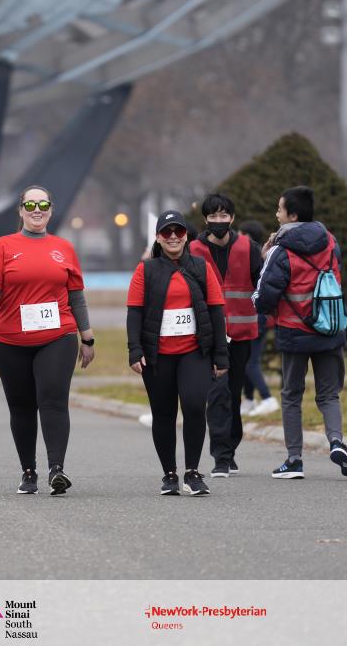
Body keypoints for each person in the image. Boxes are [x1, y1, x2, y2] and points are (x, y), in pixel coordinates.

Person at [0, 185, 95, 496]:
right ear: (21, 210)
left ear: (51, 210)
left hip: (58, 336)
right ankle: (28, 471)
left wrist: (88, 338)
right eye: (30, 205)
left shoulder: (64, 248)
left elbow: (76, 297)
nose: (37, 210)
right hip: (10, 340)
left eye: (43, 204)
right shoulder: (3, 246)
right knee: (22, 406)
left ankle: (57, 469)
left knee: (53, 399)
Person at [252, 186, 347, 479]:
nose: (276, 214)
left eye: (280, 209)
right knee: (329, 394)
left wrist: (265, 260)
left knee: (291, 395)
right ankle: (336, 442)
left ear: (292, 215)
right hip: (329, 328)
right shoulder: (330, 241)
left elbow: (265, 296)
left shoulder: (280, 249)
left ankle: (294, 460)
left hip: (294, 332)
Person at [127, 210, 228, 496]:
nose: (173, 237)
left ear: (186, 237)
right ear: (158, 237)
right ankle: (169, 474)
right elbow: (134, 312)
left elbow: (216, 311)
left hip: (194, 351)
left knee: (195, 405)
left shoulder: (201, 267)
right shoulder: (146, 270)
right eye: (167, 232)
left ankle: (192, 472)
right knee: (163, 413)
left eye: (179, 231)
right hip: (157, 354)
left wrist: (221, 354)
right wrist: (134, 349)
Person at [189, 193, 262, 479]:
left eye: (223, 216)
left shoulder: (249, 248)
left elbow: (262, 286)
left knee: (233, 393)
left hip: (241, 335)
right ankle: (221, 456)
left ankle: (229, 448)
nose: (218, 221)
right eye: (213, 216)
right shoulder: (193, 250)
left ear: (232, 218)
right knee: (217, 393)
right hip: (208, 336)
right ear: (205, 219)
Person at [238, 219, 280, 418]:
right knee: (247, 360)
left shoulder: (252, 257)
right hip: (256, 316)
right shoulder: (259, 256)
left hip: (255, 317)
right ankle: (248, 400)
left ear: (247, 236)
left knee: (250, 362)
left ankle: (267, 398)